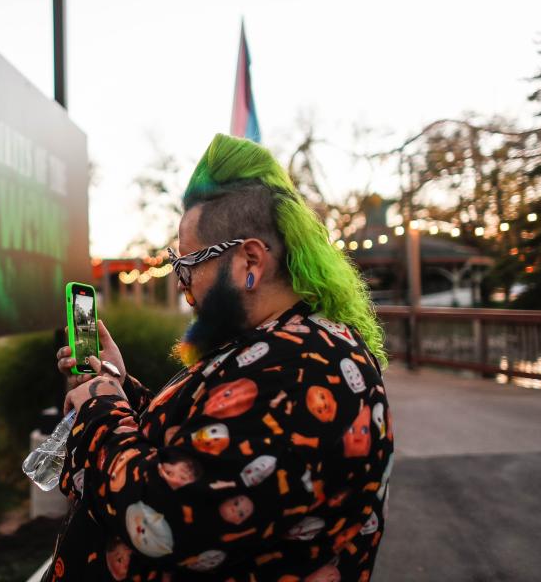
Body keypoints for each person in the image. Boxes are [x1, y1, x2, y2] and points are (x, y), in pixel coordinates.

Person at [47, 134, 393, 581]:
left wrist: (100, 407)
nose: (181, 284)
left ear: (249, 260)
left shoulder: (302, 371)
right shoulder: (279, 348)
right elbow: (206, 448)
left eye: (187, 264)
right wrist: (118, 385)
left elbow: (165, 520)